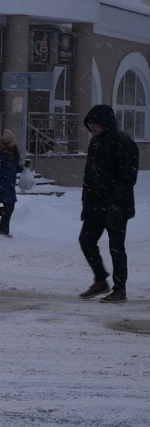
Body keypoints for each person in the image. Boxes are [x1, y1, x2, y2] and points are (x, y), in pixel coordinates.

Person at [78, 105, 139, 303]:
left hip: (116, 206)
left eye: (96, 123)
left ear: (106, 122)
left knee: (116, 247)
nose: (93, 127)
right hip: (95, 204)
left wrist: (117, 204)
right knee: (86, 240)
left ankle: (120, 289)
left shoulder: (123, 141)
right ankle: (100, 280)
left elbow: (127, 176)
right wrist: (86, 202)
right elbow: (90, 175)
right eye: (90, 124)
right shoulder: (95, 143)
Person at [0, 128, 23, 238]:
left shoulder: (13, 153)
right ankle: (2, 228)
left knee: (9, 208)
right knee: (8, 208)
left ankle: (3, 229)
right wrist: (9, 171)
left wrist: (22, 168)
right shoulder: (0, 154)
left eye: (14, 142)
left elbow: (15, 166)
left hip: (9, 184)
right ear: (7, 142)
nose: (14, 144)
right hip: (3, 183)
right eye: (12, 142)